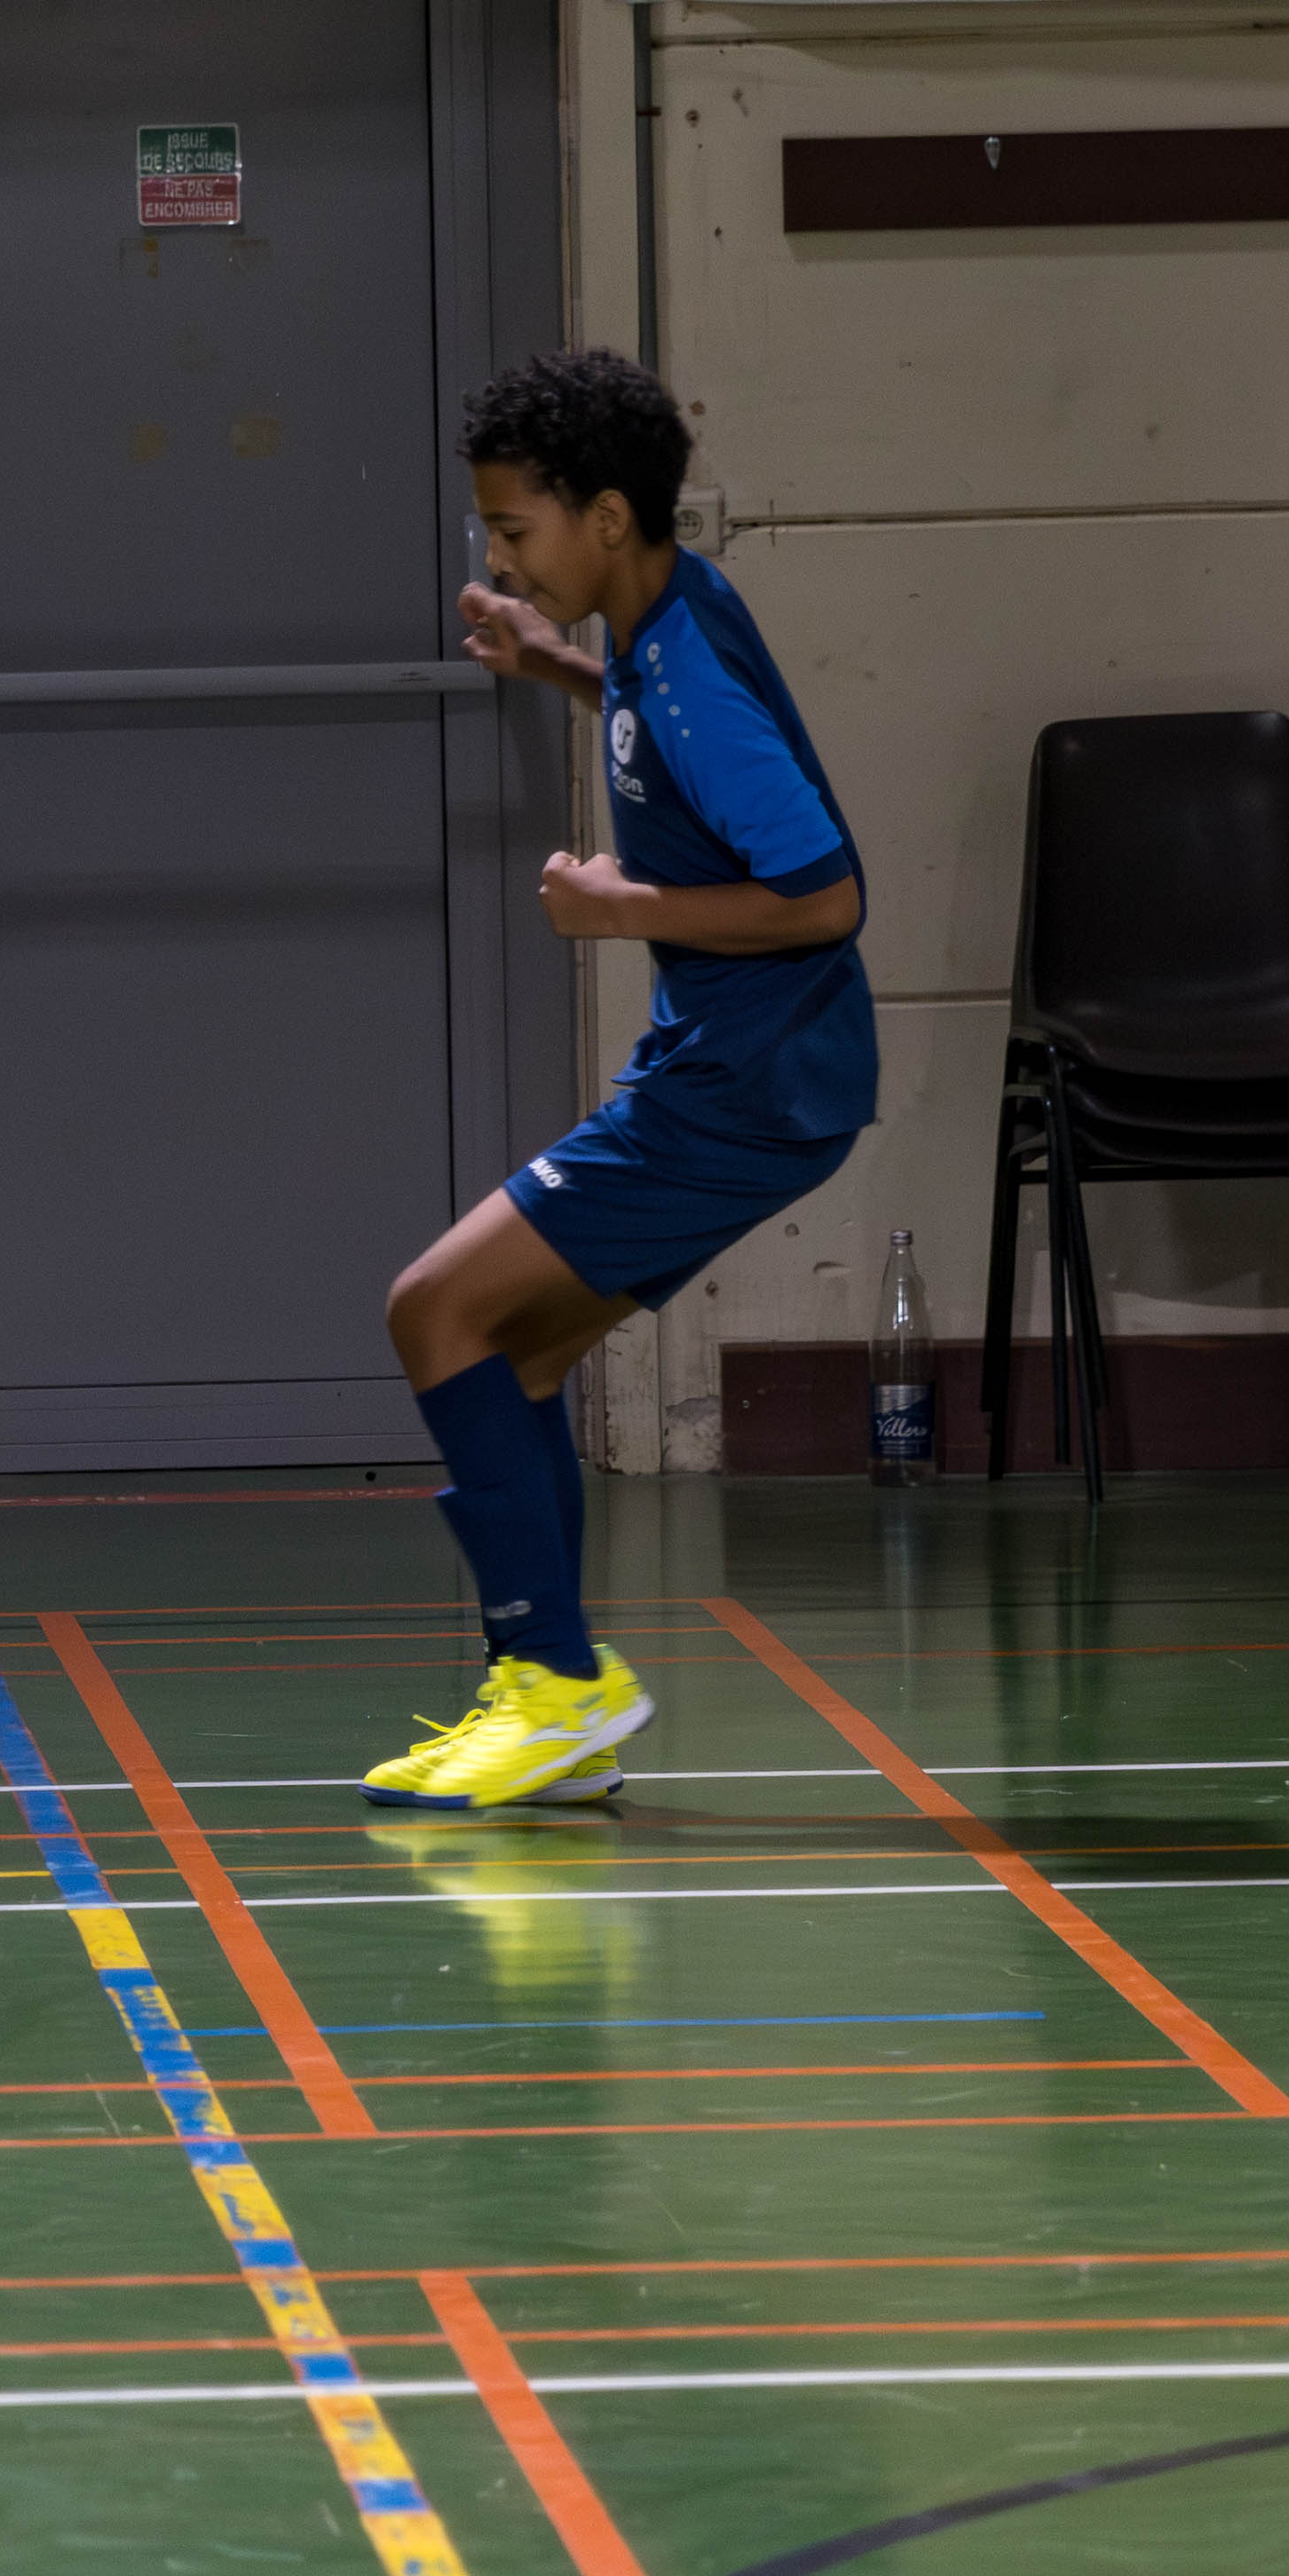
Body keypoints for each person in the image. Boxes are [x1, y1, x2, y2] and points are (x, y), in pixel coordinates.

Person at [370, 349, 874, 1810]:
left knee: (433, 1308)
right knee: (513, 1353)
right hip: (754, 1075)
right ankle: (555, 1705)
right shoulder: (672, 614)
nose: (499, 560)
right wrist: (555, 665)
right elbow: (666, 729)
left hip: (743, 1089)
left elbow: (826, 895)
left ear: (602, 517)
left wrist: (618, 909)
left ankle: (553, 1684)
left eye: (513, 530)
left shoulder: (689, 672)